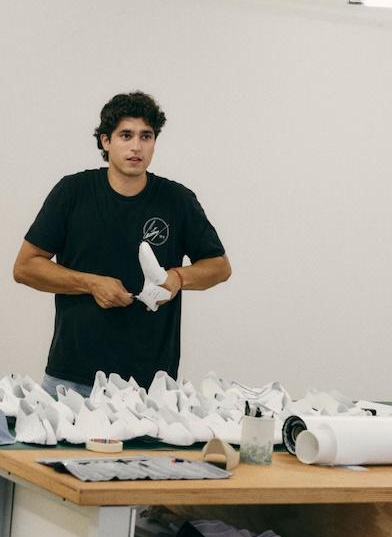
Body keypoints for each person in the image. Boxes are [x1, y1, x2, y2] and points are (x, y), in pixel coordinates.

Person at [13, 91, 231, 396]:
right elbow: (25, 267)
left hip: (151, 386)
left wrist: (178, 278)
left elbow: (219, 267)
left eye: (146, 136)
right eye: (125, 135)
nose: (136, 146)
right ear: (105, 141)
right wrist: (91, 284)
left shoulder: (177, 200)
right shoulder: (73, 193)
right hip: (73, 378)